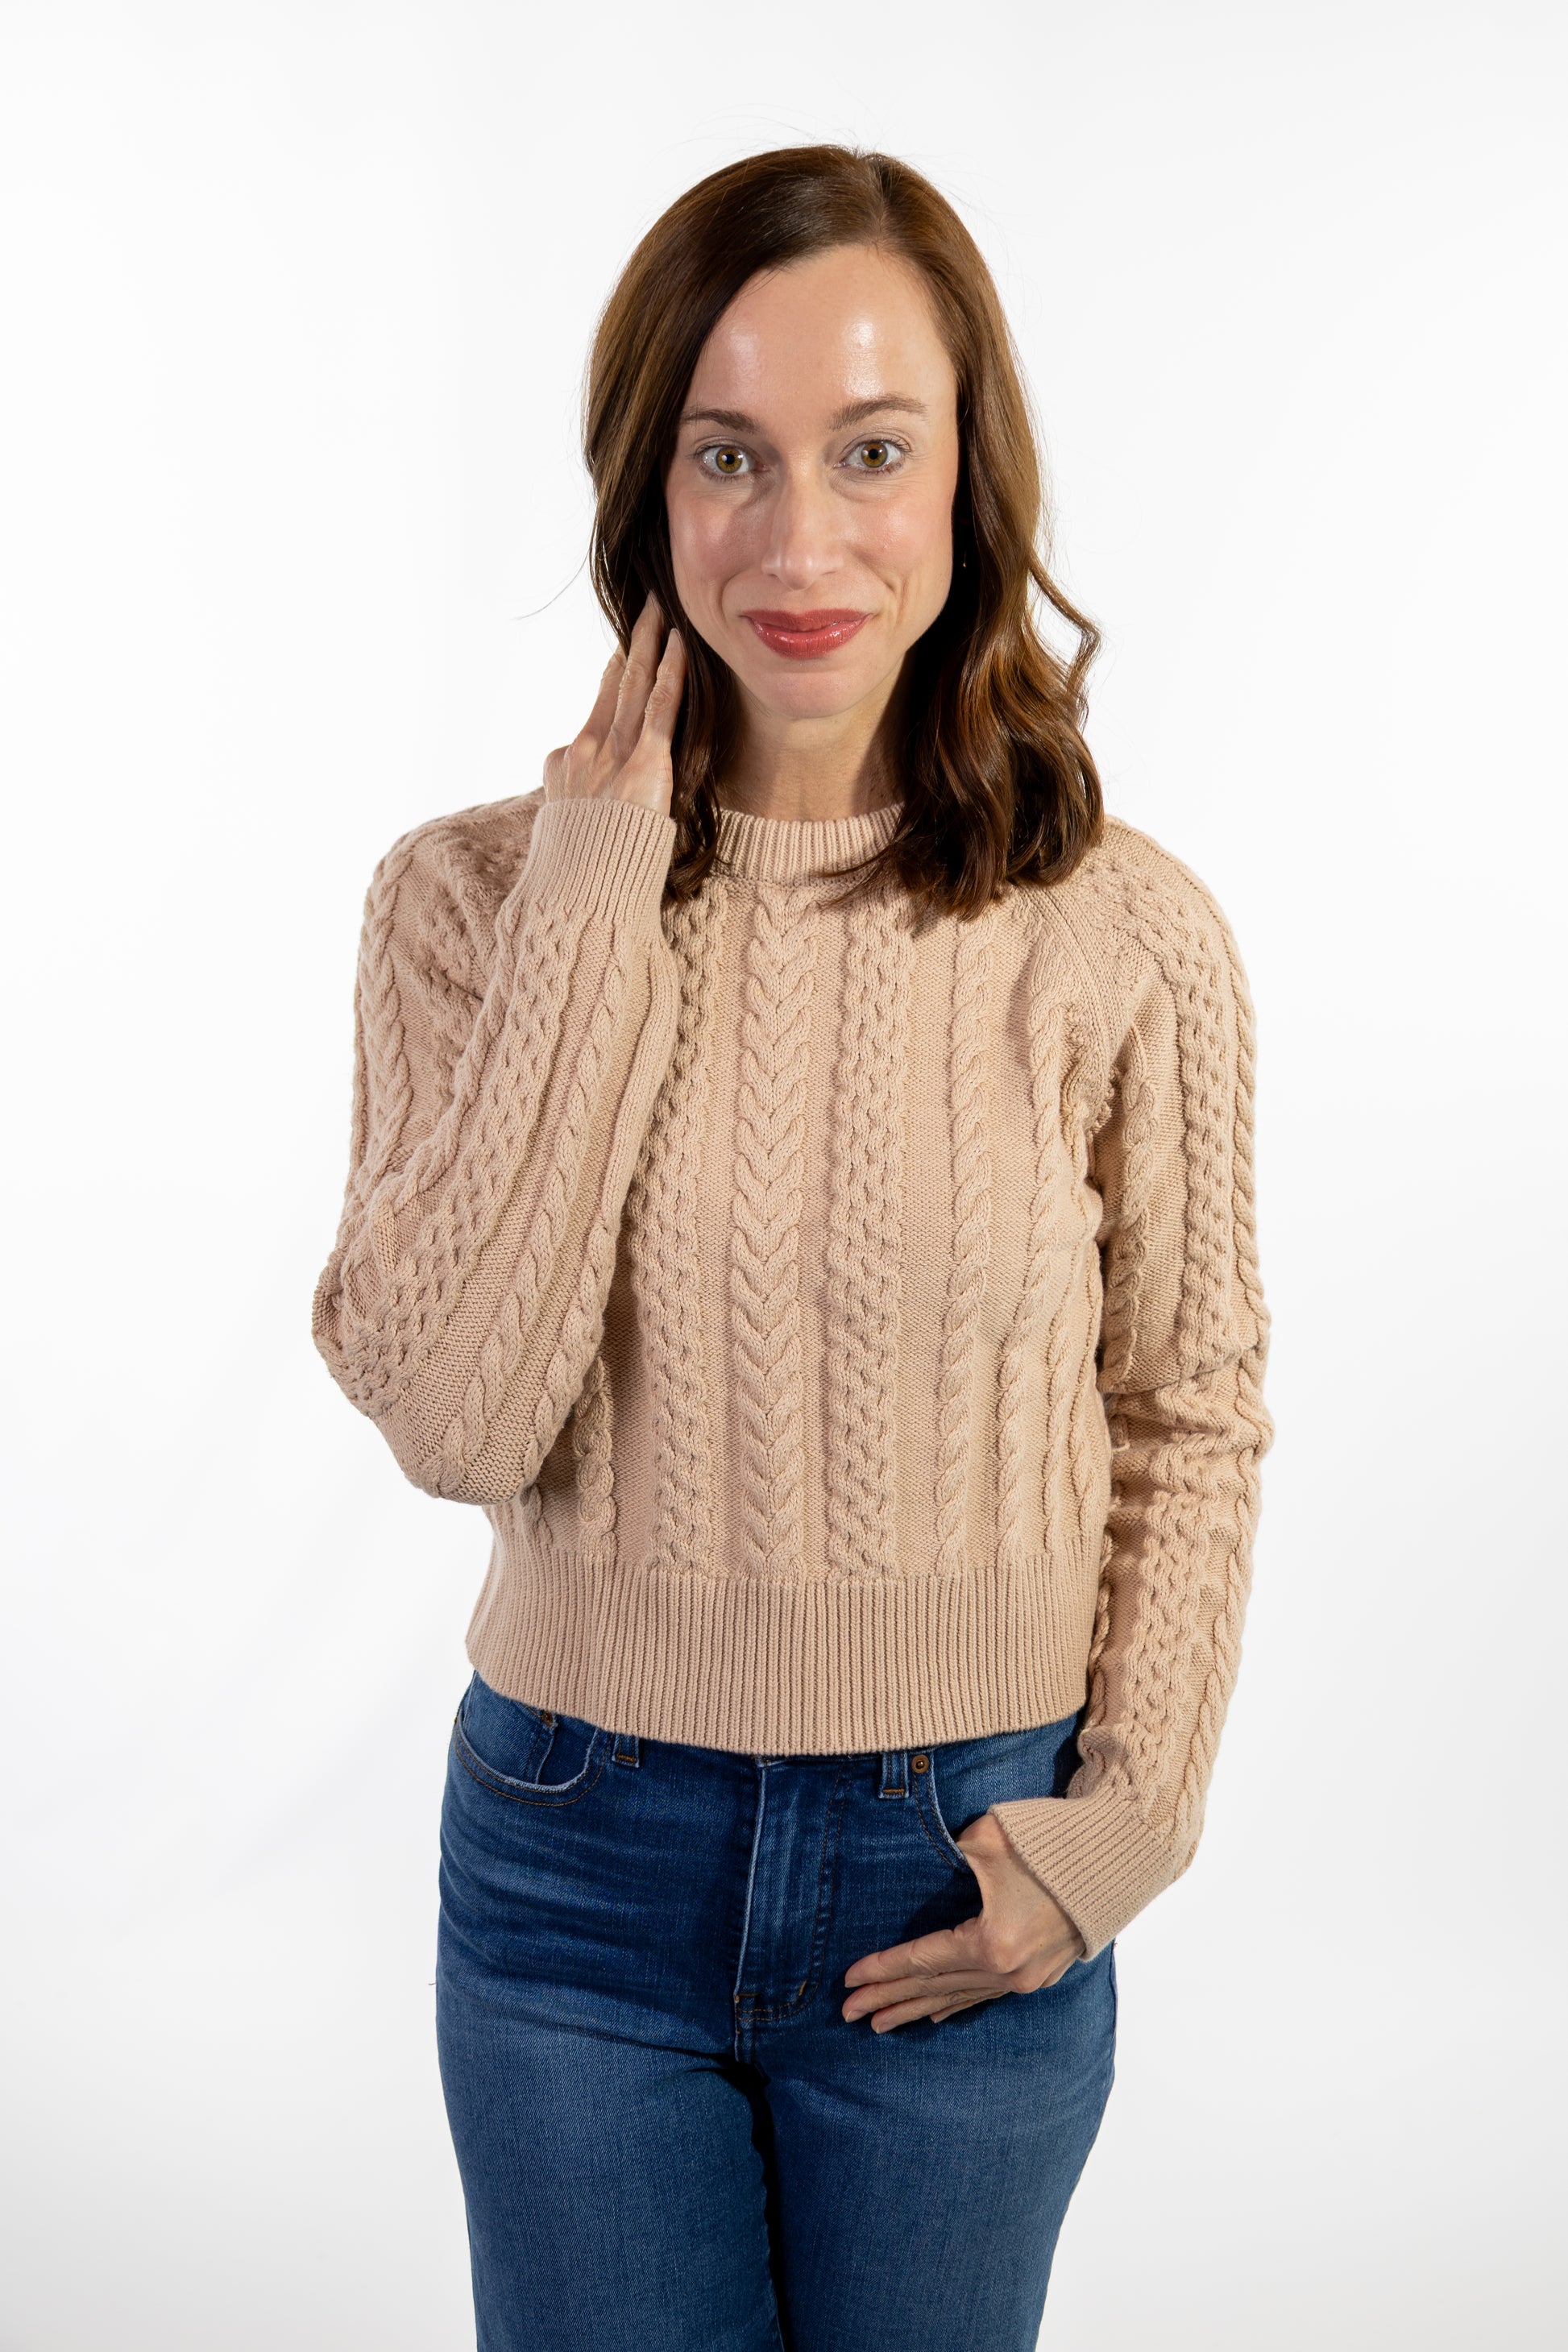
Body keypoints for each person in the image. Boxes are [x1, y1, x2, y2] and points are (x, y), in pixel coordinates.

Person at [312, 143, 1271, 2352]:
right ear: (646, 493)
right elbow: (458, 1418)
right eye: (724, 457)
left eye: (870, 451)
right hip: (574, 1870)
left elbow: (1189, 1409)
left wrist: (1117, 1832)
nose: (798, 538)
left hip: (967, 1862)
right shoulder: (467, 907)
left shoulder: (1120, 934)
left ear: (969, 485)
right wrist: (592, 894)